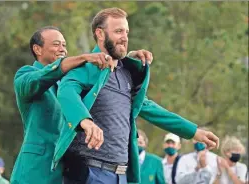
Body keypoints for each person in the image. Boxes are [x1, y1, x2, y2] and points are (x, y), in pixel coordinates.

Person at [53, 7, 219, 184]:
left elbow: (148, 107)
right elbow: (66, 91)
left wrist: (193, 131)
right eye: (118, 31)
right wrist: (85, 121)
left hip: (122, 175)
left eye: (126, 32)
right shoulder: (85, 67)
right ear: (100, 34)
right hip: (90, 173)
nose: (124, 37)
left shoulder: (126, 73)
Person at [10, 25, 153, 184]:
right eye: (56, 44)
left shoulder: (71, 82)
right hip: (36, 172)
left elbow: (106, 87)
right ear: (37, 49)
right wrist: (85, 58)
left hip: (68, 173)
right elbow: (41, 78)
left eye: (64, 45)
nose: (62, 49)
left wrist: (126, 60)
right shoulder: (25, 76)